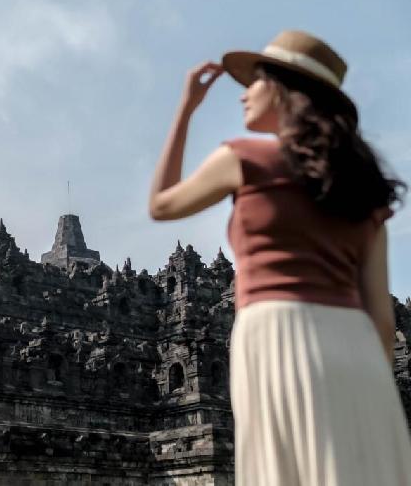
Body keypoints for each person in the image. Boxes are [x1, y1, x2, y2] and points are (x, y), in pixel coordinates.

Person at [148, 30, 411, 486]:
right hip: (357, 350)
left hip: (276, 331)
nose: (245, 93)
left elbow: (162, 204)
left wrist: (186, 108)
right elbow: (382, 321)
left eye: (256, 80)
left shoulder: (245, 157)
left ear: (286, 92)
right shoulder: (367, 192)